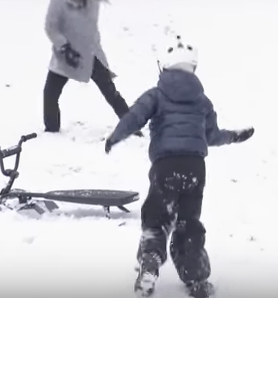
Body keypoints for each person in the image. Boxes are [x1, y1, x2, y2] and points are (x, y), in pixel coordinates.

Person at [104, 35, 255, 298]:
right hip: (196, 168)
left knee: (157, 218)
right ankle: (197, 280)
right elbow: (211, 135)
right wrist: (234, 136)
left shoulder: (156, 95)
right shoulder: (202, 101)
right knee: (188, 223)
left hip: (165, 166)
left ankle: (150, 261)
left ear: (164, 65)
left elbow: (135, 117)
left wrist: (116, 135)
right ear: (193, 68)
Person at [43, 0, 140, 135]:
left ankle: (131, 126)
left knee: (110, 92)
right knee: (50, 93)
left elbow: (90, 28)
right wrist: (64, 47)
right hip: (66, 53)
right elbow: (51, 26)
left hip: (90, 53)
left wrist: (94, 47)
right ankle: (51, 129)